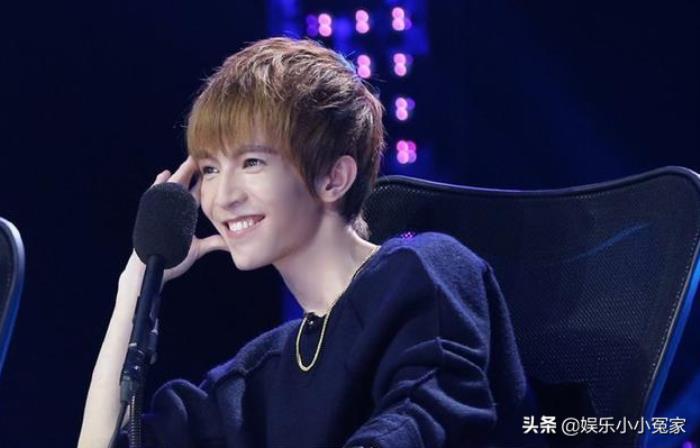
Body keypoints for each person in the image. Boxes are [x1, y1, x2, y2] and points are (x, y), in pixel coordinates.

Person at [78, 37, 544, 448]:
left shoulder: (424, 270)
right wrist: (136, 284)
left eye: (252, 162)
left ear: (333, 178)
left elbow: (427, 418)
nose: (222, 197)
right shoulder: (257, 376)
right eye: (211, 168)